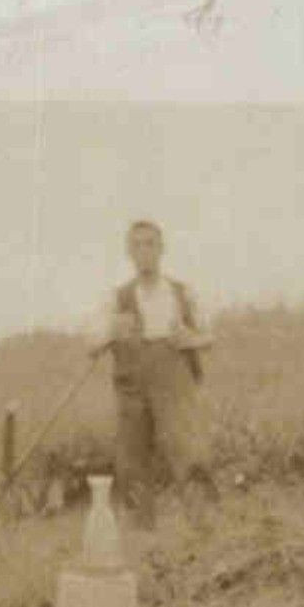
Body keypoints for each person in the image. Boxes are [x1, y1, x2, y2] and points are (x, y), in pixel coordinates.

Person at [86, 220, 219, 530]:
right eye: (137, 245)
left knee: (189, 453)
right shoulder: (116, 298)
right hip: (132, 387)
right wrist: (111, 332)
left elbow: (210, 336)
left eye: (150, 244)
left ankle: (203, 530)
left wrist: (191, 339)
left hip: (174, 383)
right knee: (131, 461)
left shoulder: (182, 293)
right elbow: (90, 345)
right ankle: (140, 537)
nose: (144, 252)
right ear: (128, 253)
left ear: (162, 249)